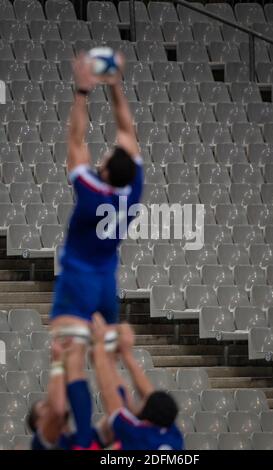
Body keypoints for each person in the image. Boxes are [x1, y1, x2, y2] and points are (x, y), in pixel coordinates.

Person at [50, 51, 143, 342]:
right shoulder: (133, 189)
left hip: (77, 278)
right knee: (107, 347)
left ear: (103, 173)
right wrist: (115, 85)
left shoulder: (89, 193)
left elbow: (76, 139)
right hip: (105, 281)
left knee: (65, 353)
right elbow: (127, 129)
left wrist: (82, 91)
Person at [91, 314, 184, 450]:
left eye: (143, 403)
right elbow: (150, 397)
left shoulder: (137, 435)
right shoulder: (174, 437)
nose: (139, 402)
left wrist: (99, 345)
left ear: (146, 421)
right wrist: (126, 354)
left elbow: (110, 395)